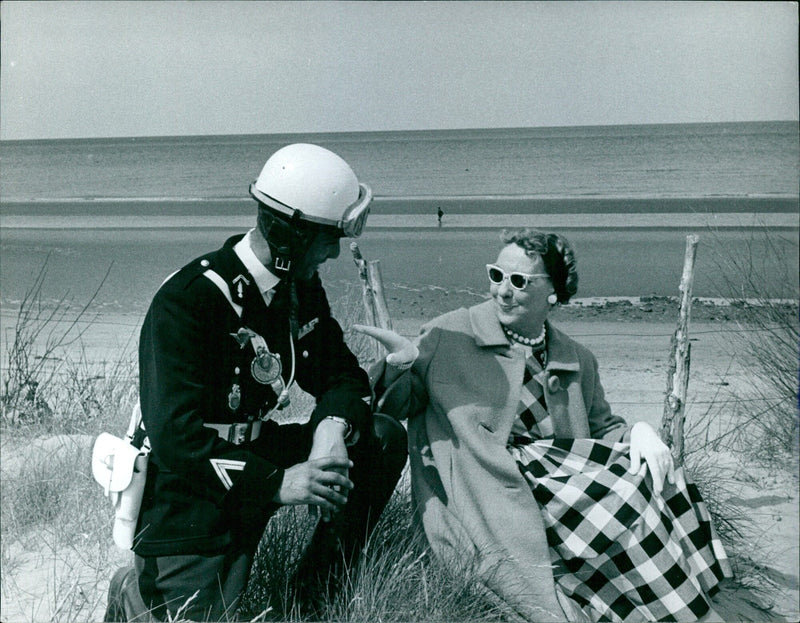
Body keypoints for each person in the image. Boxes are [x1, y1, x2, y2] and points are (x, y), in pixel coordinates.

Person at [356, 229, 732, 622]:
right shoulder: (449, 333)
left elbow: (604, 428)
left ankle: (678, 605)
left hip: (560, 482)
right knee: (624, 495)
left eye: (519, 281)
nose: (502, 290)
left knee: (657, 476)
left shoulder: (576, 357)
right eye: (496, 275)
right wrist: (400, 364)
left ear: (553, 291)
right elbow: (394, 404)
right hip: (486, 491)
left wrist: (640, 432)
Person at [104, 143, 408, 622]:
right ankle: (132, 592)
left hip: (256, 454)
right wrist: (278, 483)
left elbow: (341, 374)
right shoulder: (188, 301)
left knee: (381, 438)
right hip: (190, 483)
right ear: (288, 233)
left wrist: (331, 429)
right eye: (327, 238)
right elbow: (175, 439)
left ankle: (314, 595)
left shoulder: (296, 286)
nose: (332, 253)